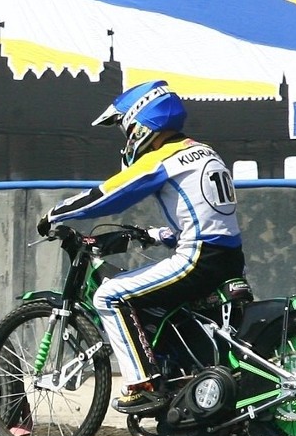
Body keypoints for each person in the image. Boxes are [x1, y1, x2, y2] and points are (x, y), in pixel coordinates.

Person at [37, 80, 245, 416]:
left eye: (126, 129)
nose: (127, 139)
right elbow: (204, 217)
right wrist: (154, 235)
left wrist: (54, 213)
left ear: (141, 123)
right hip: (228, 256)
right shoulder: (203, 150)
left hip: (197, 258)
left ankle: (142, 385)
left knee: (108, 295)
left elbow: (106, 196)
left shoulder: (165, 158)